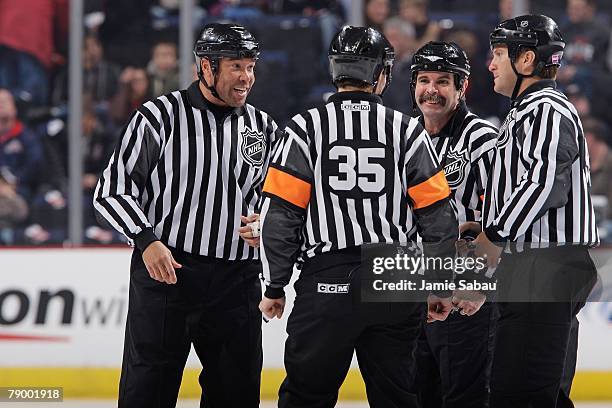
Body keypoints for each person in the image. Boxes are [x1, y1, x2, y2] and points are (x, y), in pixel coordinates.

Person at [258, 26, 458, 407]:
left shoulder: (305, 128)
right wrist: (440, 285)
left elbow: (279, 216)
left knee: (306, 395)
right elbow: (438, 217)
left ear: (336, 71)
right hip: (397, 277)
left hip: (328, 278)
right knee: (398, 397)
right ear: (381, 73)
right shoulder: (406, 130)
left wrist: (274, 285)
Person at [94, 23, 279, 408]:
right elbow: (111, 190)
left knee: (237, 394)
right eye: (235, 67)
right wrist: (145, 240)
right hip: (168, 273)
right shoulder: (158, 116)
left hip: (237, 280)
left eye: (250, 67)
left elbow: (279, 199)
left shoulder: (263, 127)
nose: (246, 77)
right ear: (206, 68)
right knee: (147, 391)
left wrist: (268, 221)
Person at [478, 14, 598, 407]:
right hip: (535, 267)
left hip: (544, 266)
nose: (491, 64)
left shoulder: (544, 108)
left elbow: (544, 184)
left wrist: (494, 234)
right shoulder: (526, 110)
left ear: (526, 59)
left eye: (498, 54)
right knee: (532, 389)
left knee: (523, 393)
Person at [410, 41, 499, 408]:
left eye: (443, 81)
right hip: (411, 287)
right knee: (415, 393)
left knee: (464, 396)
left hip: (464, 294)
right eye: (424, 80)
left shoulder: (483, 139)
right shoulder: (403, 136)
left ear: (462, 86)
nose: (432, 90)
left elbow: (497, 218)